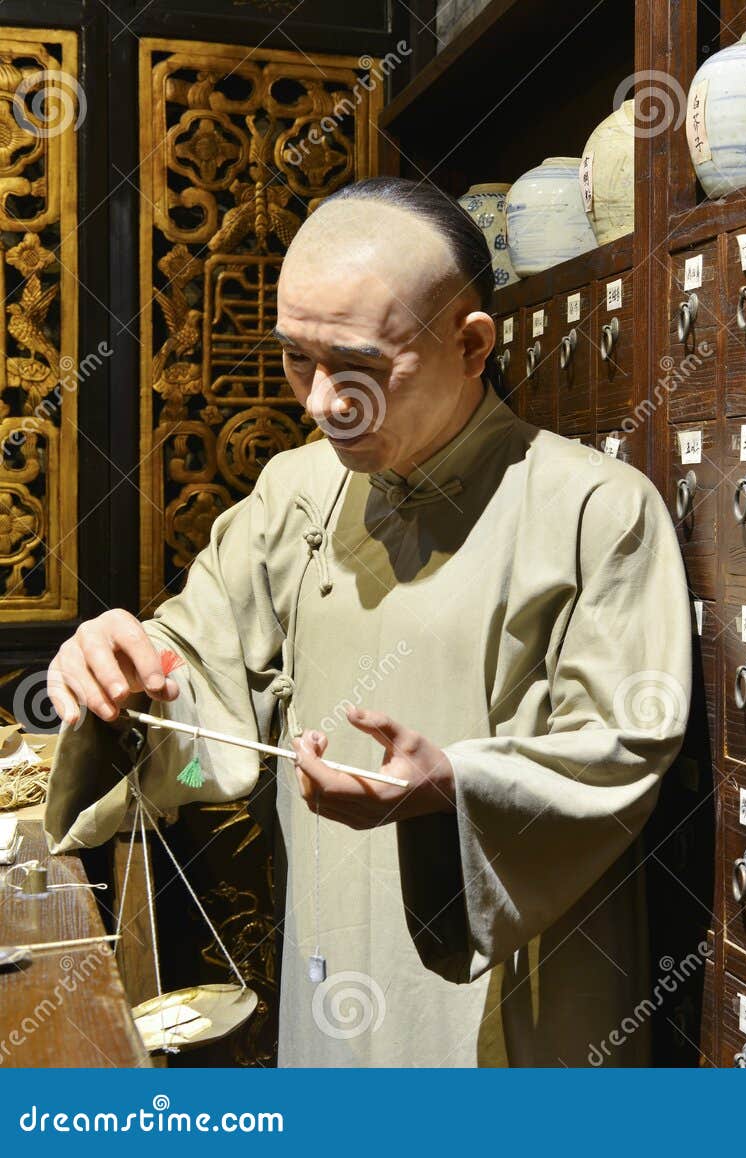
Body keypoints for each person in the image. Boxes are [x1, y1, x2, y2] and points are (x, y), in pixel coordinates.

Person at [41, 177, 692, 1066]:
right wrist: (122, 682)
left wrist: (451, 791)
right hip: (333, 949)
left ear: (471, 346)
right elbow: (201, 703)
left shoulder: (594, 508)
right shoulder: (296, 490)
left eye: (359, 367)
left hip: (509, 986)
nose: (319, 402)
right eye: (296, 360)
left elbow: (619, 745)